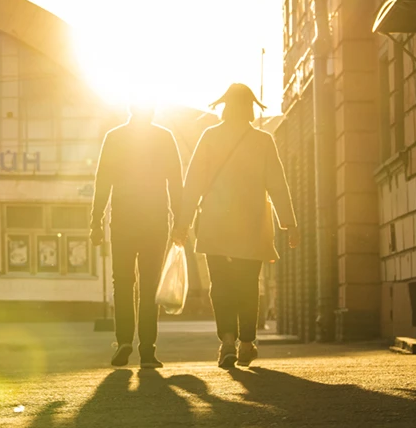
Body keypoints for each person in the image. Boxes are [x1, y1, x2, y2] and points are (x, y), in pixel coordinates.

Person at [171, 83, 299, 369]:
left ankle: (227, 341)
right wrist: (289, 223)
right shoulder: (263, 141)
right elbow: (277, 184)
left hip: (216, 225)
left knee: (221, 285)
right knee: (247, 286)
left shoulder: (209, 137)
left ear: (226, 106)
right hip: (251, 226)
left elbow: (192, 184)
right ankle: (245, 343)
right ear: (251, 107)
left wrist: (182, 223)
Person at [91, 104, 183, 369]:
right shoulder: (164, 137)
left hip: (122, 221)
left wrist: (95, 221)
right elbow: (175, 181)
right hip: (155, 221)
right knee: (149, 287)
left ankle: (123, 343)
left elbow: (102, 181)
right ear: (153, 110)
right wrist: (180, 221)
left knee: (122, 282)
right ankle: (147, 351)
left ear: (130, 109)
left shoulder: (115, 137)